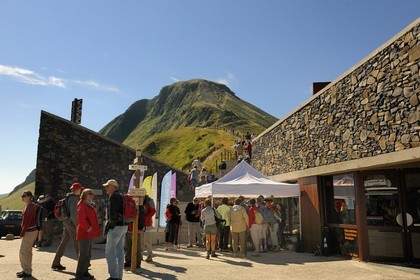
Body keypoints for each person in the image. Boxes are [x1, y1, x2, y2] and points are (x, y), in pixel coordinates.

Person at [51, 182, 83, 271]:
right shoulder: (73, 199)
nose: (81, 190)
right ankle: (82, 264)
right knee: (77, 242)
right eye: (80, 189)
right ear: (77, 189)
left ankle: (56, 262)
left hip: (66, 222)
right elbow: (73, 214)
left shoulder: (67, 197)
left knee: (64, 242)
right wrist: (77, 225)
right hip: (71, 223)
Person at [103, 179, 128, 280]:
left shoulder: (113, 196)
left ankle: (114, 276)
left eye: (107, 186)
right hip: (123, 226)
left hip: (116, 227)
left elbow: (113, 213)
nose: (106, 189)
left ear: (113, 186)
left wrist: (110, 226)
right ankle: (119, 275)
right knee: (120, 252)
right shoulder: (121, 196)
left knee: (110, 252)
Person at [76, 188, 100, 280]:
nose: (91, 195)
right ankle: (79, 274)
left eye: (92, 194)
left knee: (88, 253)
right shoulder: (82, 204)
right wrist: (88, 228)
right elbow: (81, 220)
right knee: (83, 254)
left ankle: (85, 272)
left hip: (89, 233)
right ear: (84, 195)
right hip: (84, 232)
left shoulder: (90, 205)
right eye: (89, 193)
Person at [16, 191, 38, 278]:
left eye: (24, 196)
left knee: (24, 252)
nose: (22, 197)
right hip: (30, 231)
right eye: (22, 195)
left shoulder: (31, 206)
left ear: (29, 197)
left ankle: (27, 271)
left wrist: (22, 232)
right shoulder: (29, 206)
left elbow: (27, 221)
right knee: (26, 252)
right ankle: (26, 270)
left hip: (30, 231)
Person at [124, 199, 146, 269]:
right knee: (128, 246)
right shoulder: (127, 203)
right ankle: (128, 261)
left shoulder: (140, 207)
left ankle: (137, 263)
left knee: (137, 247)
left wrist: (140, 228)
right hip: (128, 229)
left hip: (136, 230)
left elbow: (142, 218)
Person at [143, 195, 157, 262]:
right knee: (140, 241)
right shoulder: (137, 199)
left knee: (147, 240)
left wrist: (146, 218)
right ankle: (139, 256)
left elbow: (153, 211)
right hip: (138, 224)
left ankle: (149, 255)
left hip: (147, 224)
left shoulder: (149, 200)